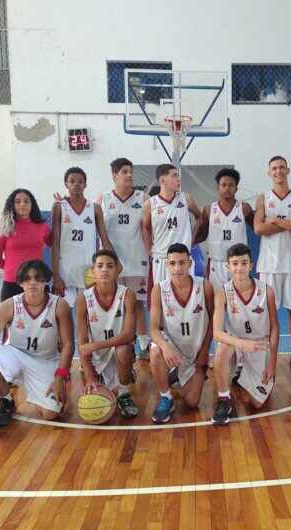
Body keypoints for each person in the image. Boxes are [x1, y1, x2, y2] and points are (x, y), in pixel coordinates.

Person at [0, 260, 74, 426]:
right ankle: (6, 401)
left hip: (46, 361)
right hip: (15, 355)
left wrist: (60, 378)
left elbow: (68, 345)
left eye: (38, 278)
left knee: (50, 414)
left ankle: (37, 391)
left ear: (46, 281)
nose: (32, 282)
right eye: (27, 279)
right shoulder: (8, 306)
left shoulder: (60, 306)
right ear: (20, 283)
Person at [211, 243, 279, 425]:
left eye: (243, 263)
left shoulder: (267, 291)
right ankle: (224, 399)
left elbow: (275, 328)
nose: (239, 268)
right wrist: (242, 344)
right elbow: (217, 333)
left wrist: (273, 362)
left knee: (255, 403)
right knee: (222, 348)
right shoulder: (222, 292)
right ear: (228, 266)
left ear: (251, 265)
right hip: (237, 344)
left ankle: (240, 377)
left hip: (260, 345)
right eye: (234, 263)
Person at [148, 243, 213, 424]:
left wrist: (204, 353)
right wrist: (165, 346)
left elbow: (212, 325)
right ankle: (166, 397)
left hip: (196, 353)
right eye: (173, 263)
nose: (177, 268)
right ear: (167, 265)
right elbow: (153, 328)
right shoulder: (159, 289)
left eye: (182, 262)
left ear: (190, 263)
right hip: (174, 350)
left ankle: (189, 373)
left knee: (192, 402)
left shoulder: (205, 286)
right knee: (155, 350)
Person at [254, 155, 291, 368]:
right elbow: (259, 229)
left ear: (288, 170)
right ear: (269, 173)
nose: (278, 171)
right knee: (267, 311)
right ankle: (265, 351)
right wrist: (288, 223)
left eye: (282, 168)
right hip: (269, 264)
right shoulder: (263, 198)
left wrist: (274, 221)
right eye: (274, 168)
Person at [76, 249, 139, 418]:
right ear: (93, 270)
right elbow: (82, 343)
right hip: (96, 355)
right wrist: (90, 377)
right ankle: (98, 374)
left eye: (110, 266)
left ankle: (124, 394)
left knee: (123, 350)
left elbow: (128, 335)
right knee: (94, 388)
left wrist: (96, 345)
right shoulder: (83, 298)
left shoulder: (127, 295)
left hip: (118, 349)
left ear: (117, 269)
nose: (105, 270)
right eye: (100, 266)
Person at [97, 158, 150, 356]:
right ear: (114, 176)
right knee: (111, 304)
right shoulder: (103, 199)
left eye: (131, 171)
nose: (129, 175)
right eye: (124, 172)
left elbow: (149, 228)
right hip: (111, 264)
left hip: (138, 260)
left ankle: (143, 345)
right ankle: (112, 345)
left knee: (136, 304)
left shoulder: (142, 197)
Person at [52, 167, 117, 307]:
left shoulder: (94, 208)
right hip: (66, 271)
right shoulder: (59, 207)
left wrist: (116, 263)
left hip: (89, 270)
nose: (76, 184)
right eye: (72, 181)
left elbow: (104, 239)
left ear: (85, 184)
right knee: (64, 316)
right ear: (66, 184)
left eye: (80, 181)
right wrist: (56, 275)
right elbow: (55, 243)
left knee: (90, 315)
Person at [141, 164, 201, 288]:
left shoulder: (186, 199)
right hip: (162, 258)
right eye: (174, 176)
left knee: (187, 298)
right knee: (161, 300)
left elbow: (199, 217)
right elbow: (145, 228)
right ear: (162, 180)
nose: (178, 179)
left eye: (178, 175)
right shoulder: (150, 204)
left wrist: (192, 239)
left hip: (183, 258)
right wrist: (149, 250)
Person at [195, 168, 254, 290]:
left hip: (238, 264)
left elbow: (258, 230)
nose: (227, 188)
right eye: (224, 185)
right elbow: (201, 235)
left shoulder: (244, 208)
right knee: (215, 303)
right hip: (216, 264)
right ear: (218, 187)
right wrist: (185, 241)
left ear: (236, 188)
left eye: (231, 185)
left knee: (239, 303)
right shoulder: (209, 210)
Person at [0, 189, 52, 302]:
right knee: (10, 319)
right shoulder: (4, 227)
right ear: (12, 205)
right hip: (12, 283)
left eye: (26, 201)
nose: (22, 204)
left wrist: (63, 210)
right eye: (17, 201)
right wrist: (15, 270)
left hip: (38, 282)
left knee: (43, 318)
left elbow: (55, 244)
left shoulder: (42, 226)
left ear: (32, 205)